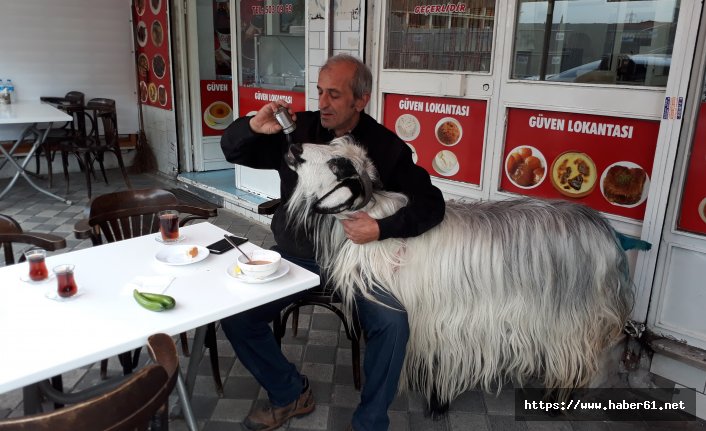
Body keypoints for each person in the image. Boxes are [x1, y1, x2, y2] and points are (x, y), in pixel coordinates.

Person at [220, 54, 445, 431]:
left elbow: (431, 203)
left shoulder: (385, 148)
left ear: (361, 99)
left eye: (335, 95)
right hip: (298, 258)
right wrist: (253, 126)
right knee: (238, 316)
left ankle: (370, 421)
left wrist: (381, 228)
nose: (322, 103)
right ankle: (290, 392)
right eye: (320, 91)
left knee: (393, 325)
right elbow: (234, 150)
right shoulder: (297, 130)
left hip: (359, 263)